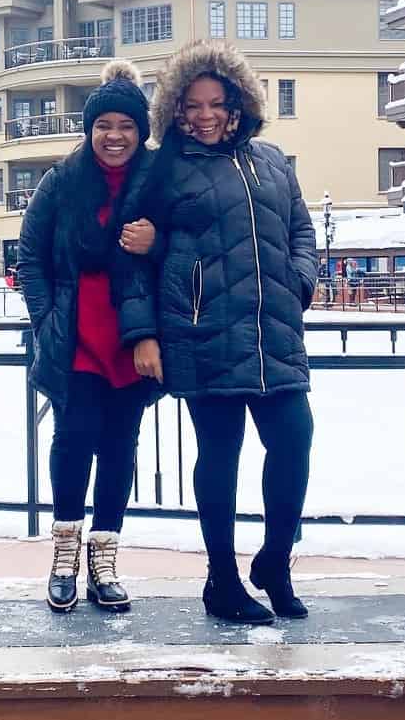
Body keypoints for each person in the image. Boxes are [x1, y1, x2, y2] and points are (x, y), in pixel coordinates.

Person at [117, 40, 316, 625]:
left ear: (238, 103)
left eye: (216, 103)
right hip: (202, 332)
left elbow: (301, 230)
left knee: (294, 444)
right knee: (220, 457)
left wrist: (299, 283)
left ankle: (275, 561)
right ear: (175, 111)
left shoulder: (273, 160)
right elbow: (131, 253)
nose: (204, 115)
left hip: (273, 332)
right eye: (191, 105)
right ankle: (221, 580)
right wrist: (142, 335)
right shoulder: (162, 169)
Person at [18, 60, 164, 613]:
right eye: (104, 125)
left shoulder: (157, 180)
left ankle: (105, 559)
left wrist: (156, 242)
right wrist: (46, 317)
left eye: (126, 125)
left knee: (120, 448)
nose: (115, 136)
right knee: (74, 441)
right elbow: (30, 257)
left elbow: (177, 251)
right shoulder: (61, 180)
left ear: (140, 130)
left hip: (134, 339)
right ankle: (64, 554)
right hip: (75, 335)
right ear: (90, 128)